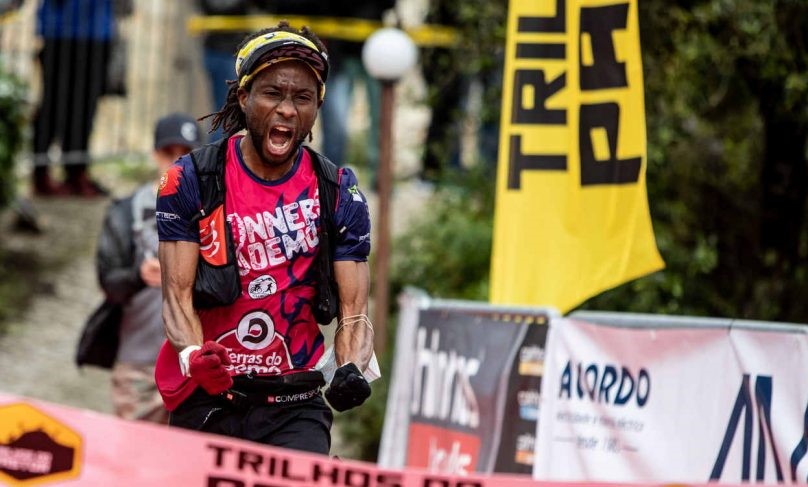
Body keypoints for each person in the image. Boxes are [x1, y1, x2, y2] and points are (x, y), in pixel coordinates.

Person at [154, 22, 374, 454]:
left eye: (303, 98)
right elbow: (176, 297)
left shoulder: (339, 191)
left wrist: (350, 368)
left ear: (317, 108)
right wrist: (194, 357)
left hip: (296, 404)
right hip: (209, 399)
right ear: (243, 97)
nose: (288, 110)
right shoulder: (190, 180)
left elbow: (354, 313)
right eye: (273, 93)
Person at [96, 113, 202, 422]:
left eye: (187, 154)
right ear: (156, 154)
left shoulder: (215, 210)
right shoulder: (126, 210)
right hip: (138, 365)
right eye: (170, 153)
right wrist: (139, 276)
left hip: (194, 365)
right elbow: (108, 280)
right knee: (134, 462)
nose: (177, 161)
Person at [32, 0, 123, 196]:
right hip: (59, 31)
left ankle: (76, 171)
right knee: (54, 104)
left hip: (97, 32)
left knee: (86, 106)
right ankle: (40, 172)